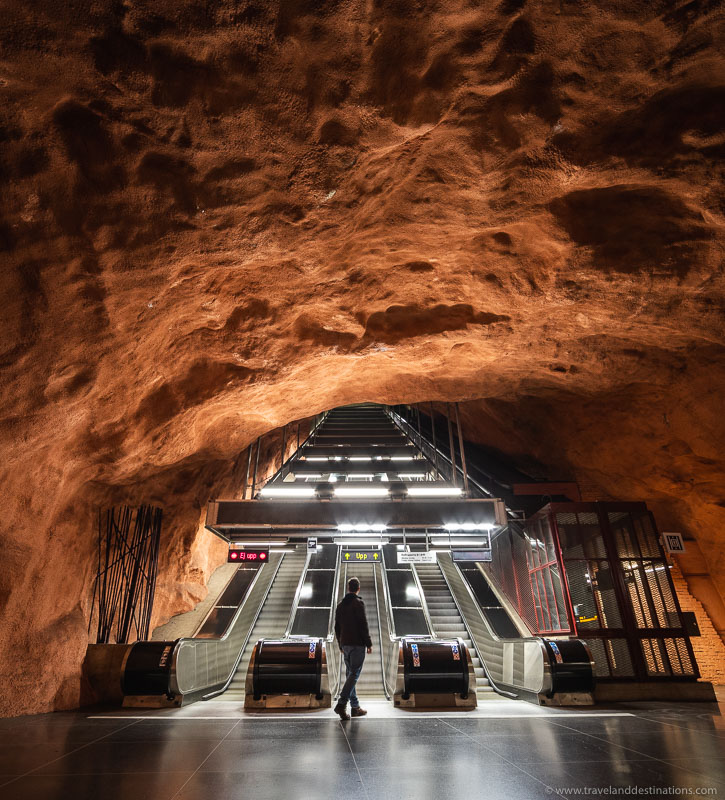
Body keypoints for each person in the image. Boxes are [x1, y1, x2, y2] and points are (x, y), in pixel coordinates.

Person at [333, 576, 373, 720]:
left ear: (348, 588)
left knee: (350, 674)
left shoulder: (340, 605)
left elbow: (336, 627)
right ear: (358, 589)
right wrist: (368, 643)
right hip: (357, 645)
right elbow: (363, 625)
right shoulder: (358, 604)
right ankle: (341, 704)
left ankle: (355, 707)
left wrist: (340, 643)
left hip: (345, 645)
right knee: (354, 674)